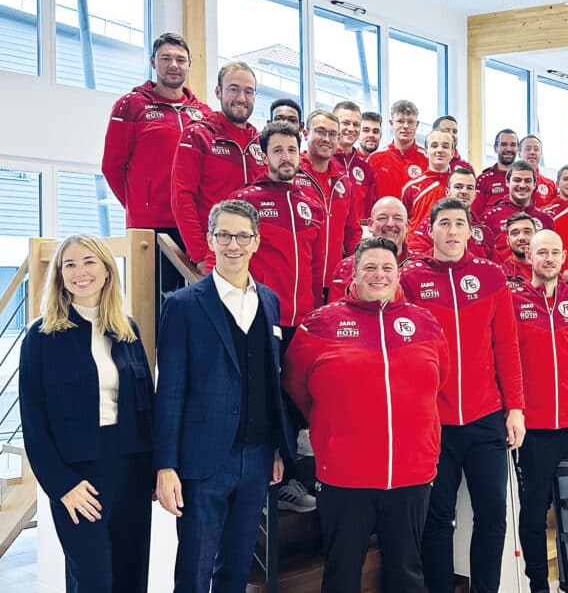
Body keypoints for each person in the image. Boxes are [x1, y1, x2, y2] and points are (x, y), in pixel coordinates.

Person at [283, 237, 450, 593]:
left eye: (387, 267)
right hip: (345, 477)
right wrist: (332, 426)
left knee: (406, 574)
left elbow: (439, 380)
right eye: (370, 267)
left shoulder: (425, 323)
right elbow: (297, 387)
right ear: (355, 274)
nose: (379, 275)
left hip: (411, 474)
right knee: (342, 575)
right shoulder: (320, 325)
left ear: (398, 274)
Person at [154, 200, 296, 591]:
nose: (234, 244)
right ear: (211, 240)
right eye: (224, 235)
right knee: (194, 572)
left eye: (242, 236)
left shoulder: (270, 301)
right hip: (202, 462)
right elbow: (170, 391)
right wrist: (165, 466)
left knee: (237, 570)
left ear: (256, 242)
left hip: (257, 458)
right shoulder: (182, 306)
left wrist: (276, 447)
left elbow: (271, 379)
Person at [400, 198, 526, 593]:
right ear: (430, 230)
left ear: (470, 231)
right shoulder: (410, 277)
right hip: (434, 422)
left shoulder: (490, 275)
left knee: (492, 516)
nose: (452, 230)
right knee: (437, 518)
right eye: (444, 223)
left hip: (486, 417)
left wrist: (516, 407)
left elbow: (506, 345)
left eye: (459, 223)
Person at [19, 235, 155, 592]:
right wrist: (62, 486)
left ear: (107, 270)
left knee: (131, 575)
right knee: (92, 580)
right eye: (70, 264)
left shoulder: (127, 329)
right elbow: (33, 423)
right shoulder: (40, 337)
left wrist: (156, 469)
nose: (80, 272)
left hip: (131, 469)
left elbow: (148, 407)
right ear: (60, 276)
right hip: (77, 476)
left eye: (89, 261)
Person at [510, 229, 568, 593]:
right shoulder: (513, 301)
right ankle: (538, 584)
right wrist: (514, 410)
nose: (548, 259)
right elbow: (508, 361)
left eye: (554, 252)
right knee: (534, 513)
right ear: (529, 256)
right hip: (533, 431)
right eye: (541, 252)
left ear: (564, 257)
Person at [103, 32, 212, 235]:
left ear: (189, 65)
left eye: (180, 60)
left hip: (194, 223)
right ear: (153, 62)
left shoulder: (205, 113)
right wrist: (140, 206)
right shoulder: (131, 105)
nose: (174, 65)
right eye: (166, 58)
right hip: (149, 225)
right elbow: (112, 166)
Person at [220, 121, 323, 327]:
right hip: (259, 316)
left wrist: (317, 312)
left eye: (291, 150)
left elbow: (316, 268)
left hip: (303, 319)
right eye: (277, 150)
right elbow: (220, 257)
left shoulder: (313, 205)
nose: (286, 157)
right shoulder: (245, 200)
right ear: (265, 156)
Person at [171, 62, 266, 272]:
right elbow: (182, 198)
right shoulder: (198, 135)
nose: (241, 98)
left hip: (254, 257)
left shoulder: (260, 142)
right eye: (233, 89)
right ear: (218, 91)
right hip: (216, 256)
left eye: (248, 91)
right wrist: (200, 255)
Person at [296, 109, 362, 304]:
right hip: (297, 280)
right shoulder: (291, 175)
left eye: (332, 134)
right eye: (320, 131)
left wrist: (355, 269)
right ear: (305, 133)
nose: (327, 139)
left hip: (333, 283)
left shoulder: (344, 183)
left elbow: (353, 232)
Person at [328, 196, 410, 302]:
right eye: (382, 218)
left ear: (407, 226)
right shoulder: (347, 267)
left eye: (398, 218)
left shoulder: (419, 267)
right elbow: (337, 310)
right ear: (370, 225)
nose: (390, 224)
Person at [405, 167, 494, 259]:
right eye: (458, 187)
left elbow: (493, 264)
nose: (464, 191)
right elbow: (414, 258)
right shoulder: (431, 225)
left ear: (475, 194)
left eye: (469, 188)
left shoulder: (484, 231)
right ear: (447, 192)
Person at [480, 160, 554, 262]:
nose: (522, 185)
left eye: (527, 181)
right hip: (502, 271)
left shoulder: (546, 219)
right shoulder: (490, 217)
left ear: (534, 184)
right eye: (517, 180)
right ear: (507, 182)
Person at [367, 100, 429, 199]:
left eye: (410, 122)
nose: (405, 126)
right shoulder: (374, 159)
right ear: (391, 123)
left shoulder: (428, 159)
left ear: (417, 125)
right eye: (400, 121)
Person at [402, 129, 454, 232]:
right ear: (426, 152)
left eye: (445, 146)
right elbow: (403, 223)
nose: (440, 150)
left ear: (452, 153)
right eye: (434, 146)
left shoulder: (459, 187)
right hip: (416, 241)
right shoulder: (411, 187)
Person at [333, 101, 378, 219]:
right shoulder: (322, 162)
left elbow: (367, 214)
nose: (351, 129)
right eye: (345, 123)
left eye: (356, 124)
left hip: (358, 230)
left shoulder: (366, 169)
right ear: (334, 125)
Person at [475, 129, 518, 211]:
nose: (508, 149)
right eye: (504, 144)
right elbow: (476, 213)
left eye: (513, 145)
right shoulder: (483, 180)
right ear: (495, 148)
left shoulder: (526, 179)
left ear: (518, 149)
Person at [518, 135, 558, 206]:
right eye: (528, 149)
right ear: (519, 153)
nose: (532, 152)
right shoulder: (511, 182)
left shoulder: (550, 185)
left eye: (536, 149)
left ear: (541, 154)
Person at [501, 213, 536, 285]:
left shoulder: (552, 270)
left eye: (527, 232)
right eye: (515, 233)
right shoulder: (500, 274)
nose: (522, 238)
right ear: (507, 240)